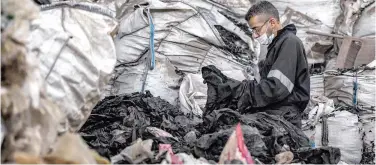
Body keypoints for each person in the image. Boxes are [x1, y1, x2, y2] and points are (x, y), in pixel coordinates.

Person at [243, 1, 310, 128]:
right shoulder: (276, 45)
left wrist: (244, 93)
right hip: (277, 111)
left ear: (272, 23)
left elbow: (277, 88)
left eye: (256, 29)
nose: (254, 35)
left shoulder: (289, 42)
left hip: (285, 116)